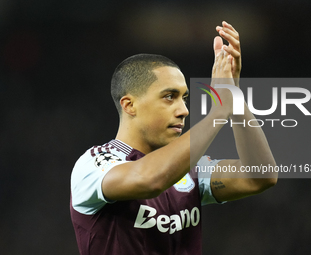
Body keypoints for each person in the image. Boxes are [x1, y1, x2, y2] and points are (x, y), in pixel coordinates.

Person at [70, 21, 277, 255]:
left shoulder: (190, 167)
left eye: (184, 98)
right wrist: (219, 111)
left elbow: (260, 177)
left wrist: (235, 99)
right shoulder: (95, 164)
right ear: (129, 105)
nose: (184, 110)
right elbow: (150, 180)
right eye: (169, 97)